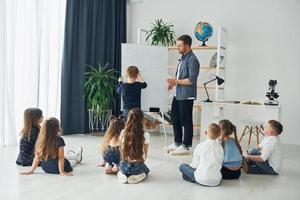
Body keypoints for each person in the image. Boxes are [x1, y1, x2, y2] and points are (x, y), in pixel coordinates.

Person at [167, 34, 200, 155]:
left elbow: (191, 80)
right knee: (175, 119)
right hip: (178, 94)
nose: (178, 48)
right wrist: (174, 83)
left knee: (186, 121)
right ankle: (177, 143)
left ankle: (185, 146)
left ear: (187, 45)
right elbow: (180, 77)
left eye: (180, 46)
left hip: (186, 95)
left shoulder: (193, 60)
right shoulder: (183, 58)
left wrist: (175, 81)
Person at [117, 108, 150, 184]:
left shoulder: (123, 132)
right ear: (142, 120)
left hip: (124, 165)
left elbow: (121, 150)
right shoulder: (145, 134)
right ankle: (137, 176)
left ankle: (122, 174)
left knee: (121, 168)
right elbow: (145, 154)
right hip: (137, 167)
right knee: (146, 170)